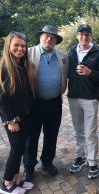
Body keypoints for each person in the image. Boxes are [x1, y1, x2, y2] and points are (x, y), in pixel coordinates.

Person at [22, 25, 68, 181]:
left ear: (56, 40)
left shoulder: (62, 56)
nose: (49, 39)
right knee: (31, 136)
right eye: (46, 36)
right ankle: (29, 167)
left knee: (51, 135)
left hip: (55, 103)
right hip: (35, 103)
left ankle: (47, 162)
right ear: (40, 37)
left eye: (53, 37)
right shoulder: (28, 54)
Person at [67, 24, 99, 179]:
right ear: (77, 35)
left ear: (91, 36)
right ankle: (80, 157)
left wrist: (90, 73)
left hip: (90, 98)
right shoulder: (71, 51)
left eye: (87, 34)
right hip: (73, 97)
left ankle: (92, 162)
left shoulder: (98, 54)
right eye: (81, 34)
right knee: (78, 131)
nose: (84, 37)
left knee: (90, 132)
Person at [0, 32, 36, 193]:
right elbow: (2, 98)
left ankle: (16, 180)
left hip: (25, 115)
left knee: (21, 149)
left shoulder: (23, 65)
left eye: (23, 46)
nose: (20, 49)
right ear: (8, 46)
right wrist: (10, 120)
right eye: (16, 45)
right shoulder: (5, 68)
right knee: (16, 151)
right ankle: (7, 184)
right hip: (14, 119)